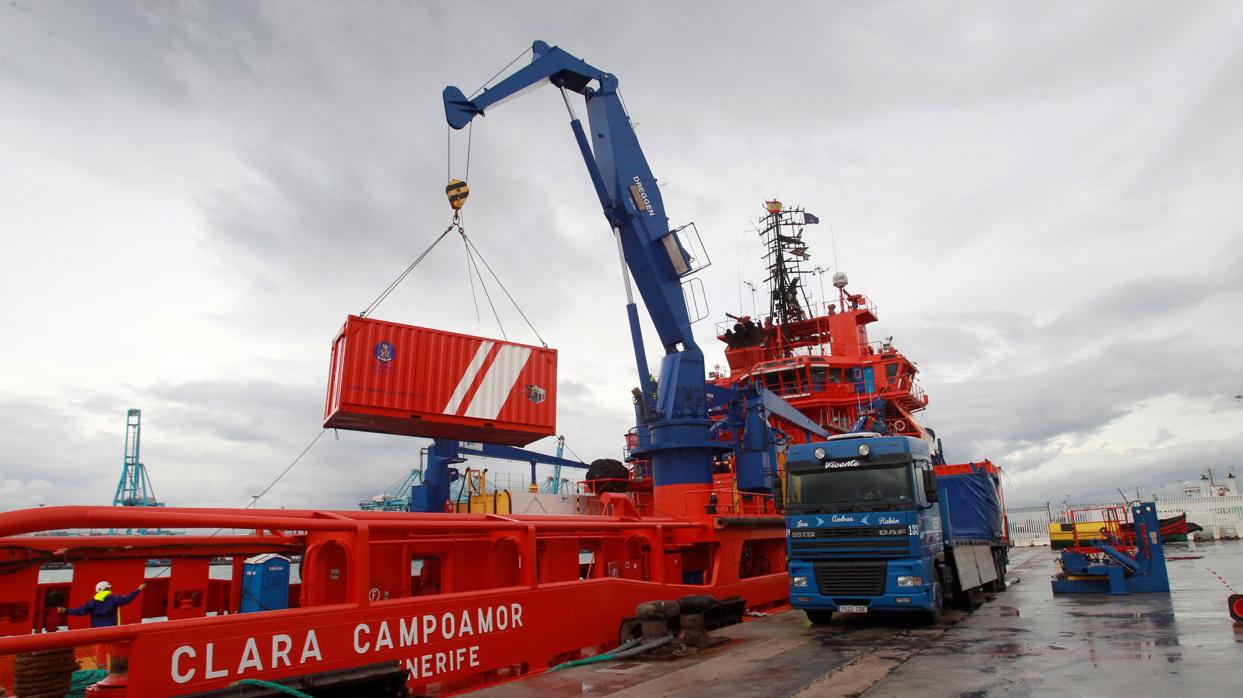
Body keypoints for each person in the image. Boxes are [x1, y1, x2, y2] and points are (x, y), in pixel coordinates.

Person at [59, 581, 146, 628]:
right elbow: (128, 599)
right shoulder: (114, 599)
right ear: (107, 589)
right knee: (111, 648)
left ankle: (101, 662)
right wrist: (138, 589)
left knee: (100, 650)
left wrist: (65, 610)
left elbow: (79, 611)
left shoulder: (92, 602)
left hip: (97, 631)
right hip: (112, 630)